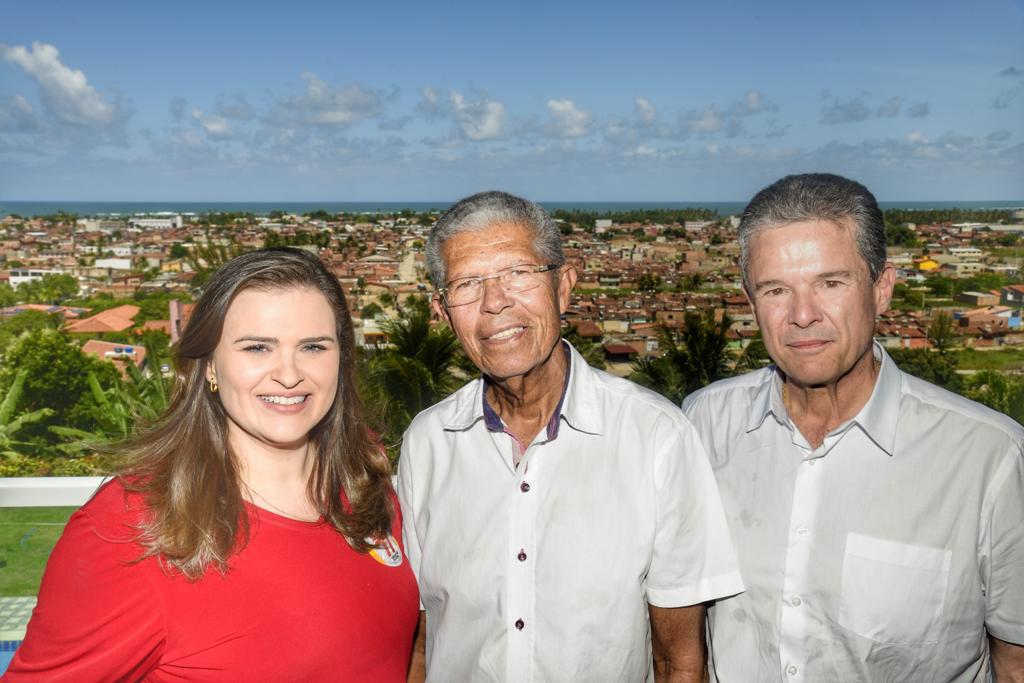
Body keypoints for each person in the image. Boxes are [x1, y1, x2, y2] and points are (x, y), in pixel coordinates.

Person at [5, 247, 419, 681]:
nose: (290, 373)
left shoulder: (364, 485)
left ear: (341, 360)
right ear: (208, 368)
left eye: (313, 347)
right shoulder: (130, 531)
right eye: (257, 347)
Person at [682, 173, 1024, 681]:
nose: (802, 315)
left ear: (882, 289)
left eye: (831, 283)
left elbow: (1014, 663)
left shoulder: (988, 457)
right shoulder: (704, 424)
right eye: (776, 289)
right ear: (751, 302)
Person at [397, 190, 743, 682]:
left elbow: (678, 659)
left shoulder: (654, 437)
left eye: (518, 273)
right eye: (468, 285)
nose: (495, 302)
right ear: (442, 311)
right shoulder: (428, 442)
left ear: (563, 286)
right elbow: (421, 638)